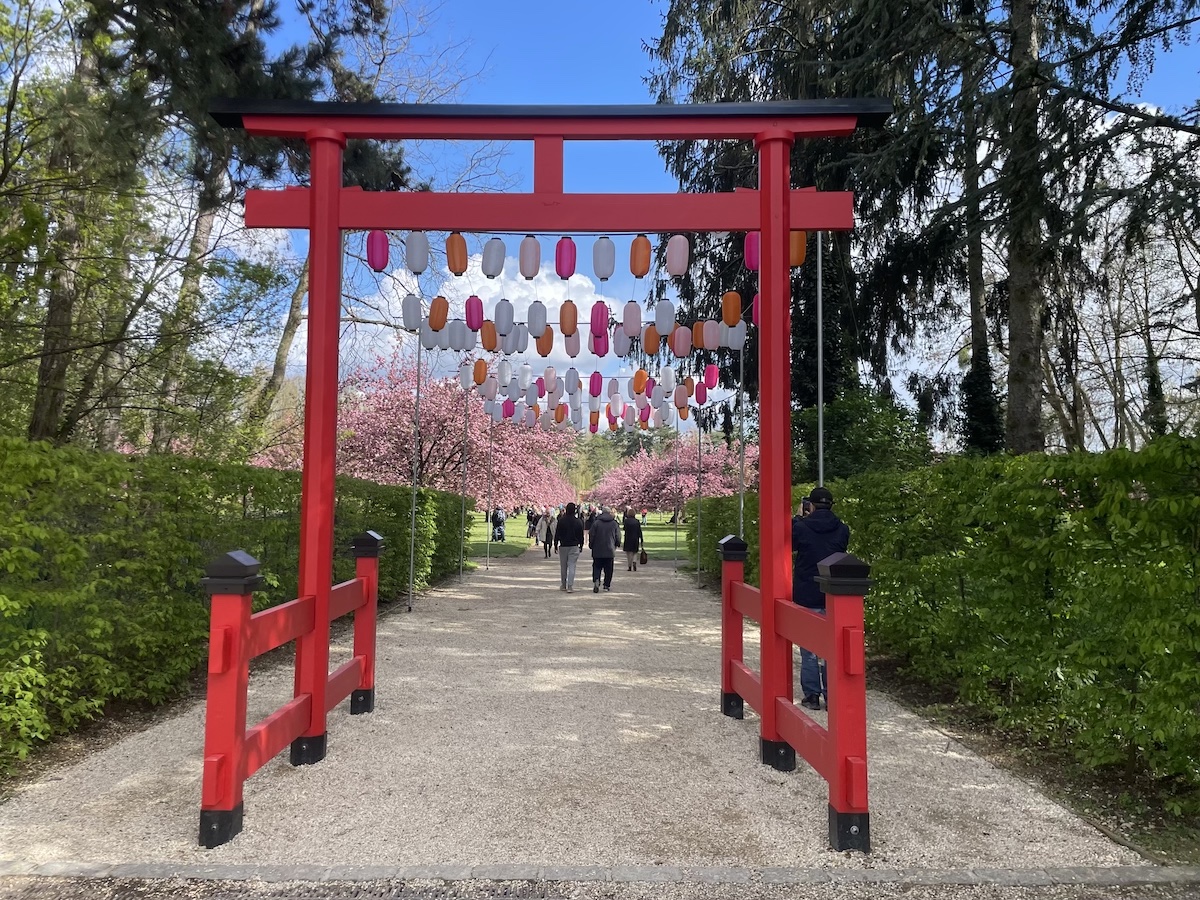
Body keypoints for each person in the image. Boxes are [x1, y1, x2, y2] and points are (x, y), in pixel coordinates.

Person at [791, 485, 850, 711]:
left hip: (806, 593)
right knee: (830, 650)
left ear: (811, 505)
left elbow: (791, 544)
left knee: (808, 650)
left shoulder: (802, 527)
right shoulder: (842, 529)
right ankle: (831, 696)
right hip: (833, 595)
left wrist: (797, 518)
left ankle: (812, 695)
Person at [588, 505, 622, 592]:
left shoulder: (596, 523)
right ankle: (606, 585)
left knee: (597, 566)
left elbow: (592, 535)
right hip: (609, 549)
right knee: (609, 568)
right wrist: (617, 544)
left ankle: (596, 579)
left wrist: (591, 545)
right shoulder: (614, 523)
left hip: (597, 549)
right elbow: (618, 535)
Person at [556, 502, 585, 592]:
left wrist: (555, 544)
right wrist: (581, 545)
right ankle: (570, 586)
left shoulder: (561, 520)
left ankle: (563, 585)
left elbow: (557, 533)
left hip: (564, 545)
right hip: (574, 545)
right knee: (572, 566)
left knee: (563, 566)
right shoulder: (578, 522)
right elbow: (581, 535)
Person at [622, 507, 644, 572]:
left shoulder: (626, 521)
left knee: (629, 553)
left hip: (628, 538)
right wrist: (641, 539)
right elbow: (639, 531)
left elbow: (624, 528)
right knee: (635, 552)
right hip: (635, 538)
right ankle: (634, 561)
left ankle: (629, 565)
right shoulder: (637, 521)